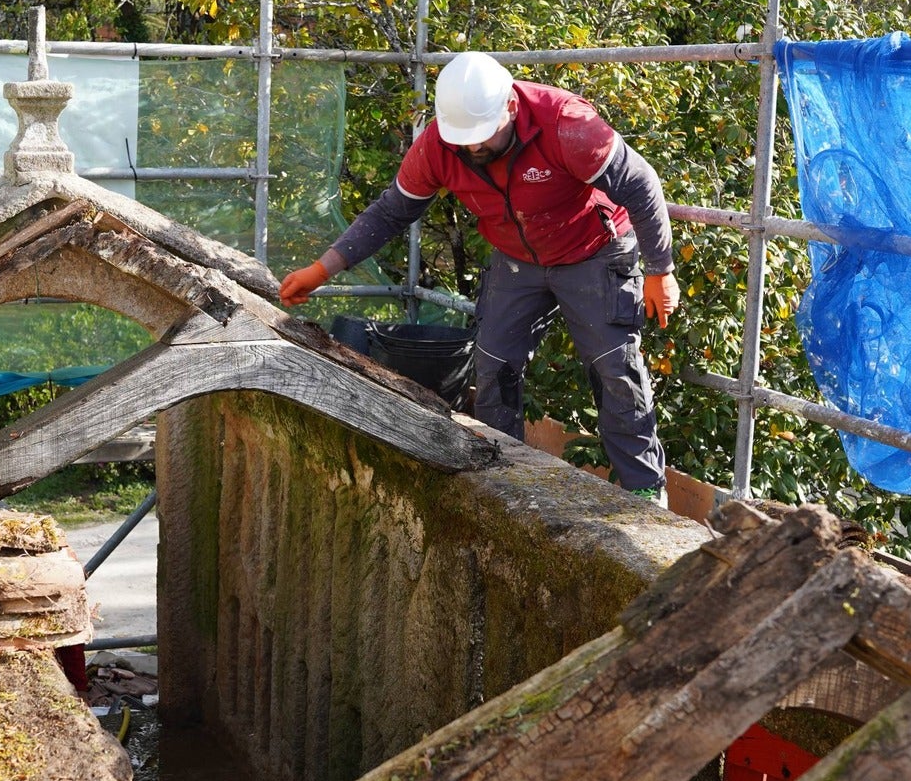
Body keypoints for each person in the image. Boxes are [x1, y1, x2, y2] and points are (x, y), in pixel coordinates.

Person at [280, 52, 680, 503]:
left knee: (615, 368)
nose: (473, 149)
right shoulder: (438, 145)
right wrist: (321, 270)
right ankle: (502, 478)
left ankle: (645, 491)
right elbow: (392, 212)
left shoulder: (567, 126)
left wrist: (659, 270)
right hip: (515, 257)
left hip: (593, 249)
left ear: (510, 107)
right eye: (463, 140)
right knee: (493, 366)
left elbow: (643, 186)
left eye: (482, 137)